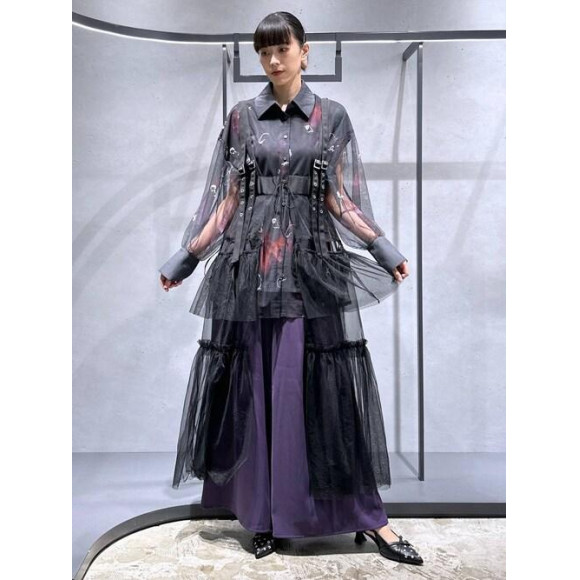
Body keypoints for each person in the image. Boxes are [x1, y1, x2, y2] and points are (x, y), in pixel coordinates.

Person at [158, 11, 423, 566]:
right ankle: (262, 517)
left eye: (283, 49)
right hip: (251, 274)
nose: (273, 60)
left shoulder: (331, 117)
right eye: (264, 51)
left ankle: (368, 519)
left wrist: (382, 247)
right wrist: (187, 256)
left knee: (321, 393)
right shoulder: (241, 118)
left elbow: (338, 199)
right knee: (255, 392)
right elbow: (228, 200)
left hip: (310, 273)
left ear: (306, 51)